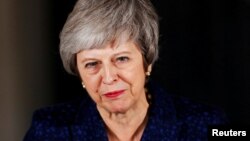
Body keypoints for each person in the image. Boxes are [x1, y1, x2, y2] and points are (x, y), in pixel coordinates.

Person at [24, 0, 227, 140]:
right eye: (92, 64)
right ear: (79, 72)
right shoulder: (49, 130)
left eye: (121, 59)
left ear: (147, 62)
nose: (109, 78)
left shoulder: (207, 124)